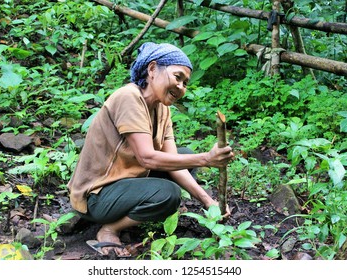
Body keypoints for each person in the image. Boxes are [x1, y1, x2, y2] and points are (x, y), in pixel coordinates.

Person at [67, 42, 234, 257]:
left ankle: (140, 210)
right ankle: (109, 228)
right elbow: (147, 158)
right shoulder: (128, 97)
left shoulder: (162, 109)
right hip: (96, 195)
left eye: (185, 83)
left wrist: (208, 202)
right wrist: (206, 159)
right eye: (177, 77)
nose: (181, 87)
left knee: (183, 156)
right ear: (152, 69)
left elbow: (172, 160)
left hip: (125, 182)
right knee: (168, 193)